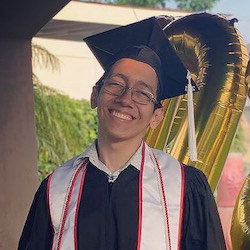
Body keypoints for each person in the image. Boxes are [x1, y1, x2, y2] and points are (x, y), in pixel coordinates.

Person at [18, 17, 226, 250]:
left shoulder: (185, 186)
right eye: (116, 84)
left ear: (157, 116)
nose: (126, 98)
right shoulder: (56, 188)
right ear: (95, 95)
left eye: (142, 93)